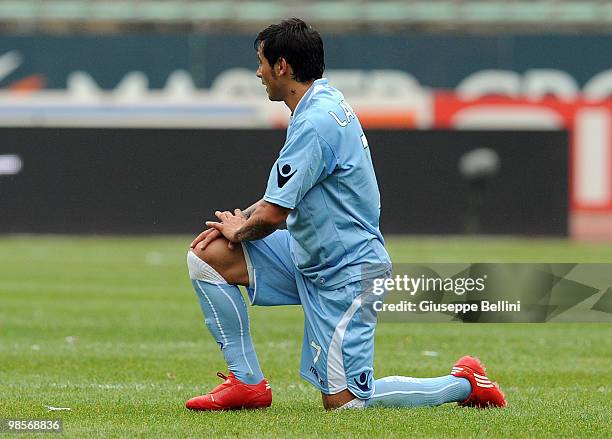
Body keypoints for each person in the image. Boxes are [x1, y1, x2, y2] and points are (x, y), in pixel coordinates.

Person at [184, 18, 506, 411]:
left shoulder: (315, 121)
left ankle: (465, 383)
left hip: (348, 272)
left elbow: (271, 216)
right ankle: (247, 384)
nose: (258, 72)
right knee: (208, 257)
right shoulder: (321, 101)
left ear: (282, 66)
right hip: (309, 256)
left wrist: (243, 229)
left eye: (261, 62)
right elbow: (278, 198)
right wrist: (238, 224)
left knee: (346, 404)